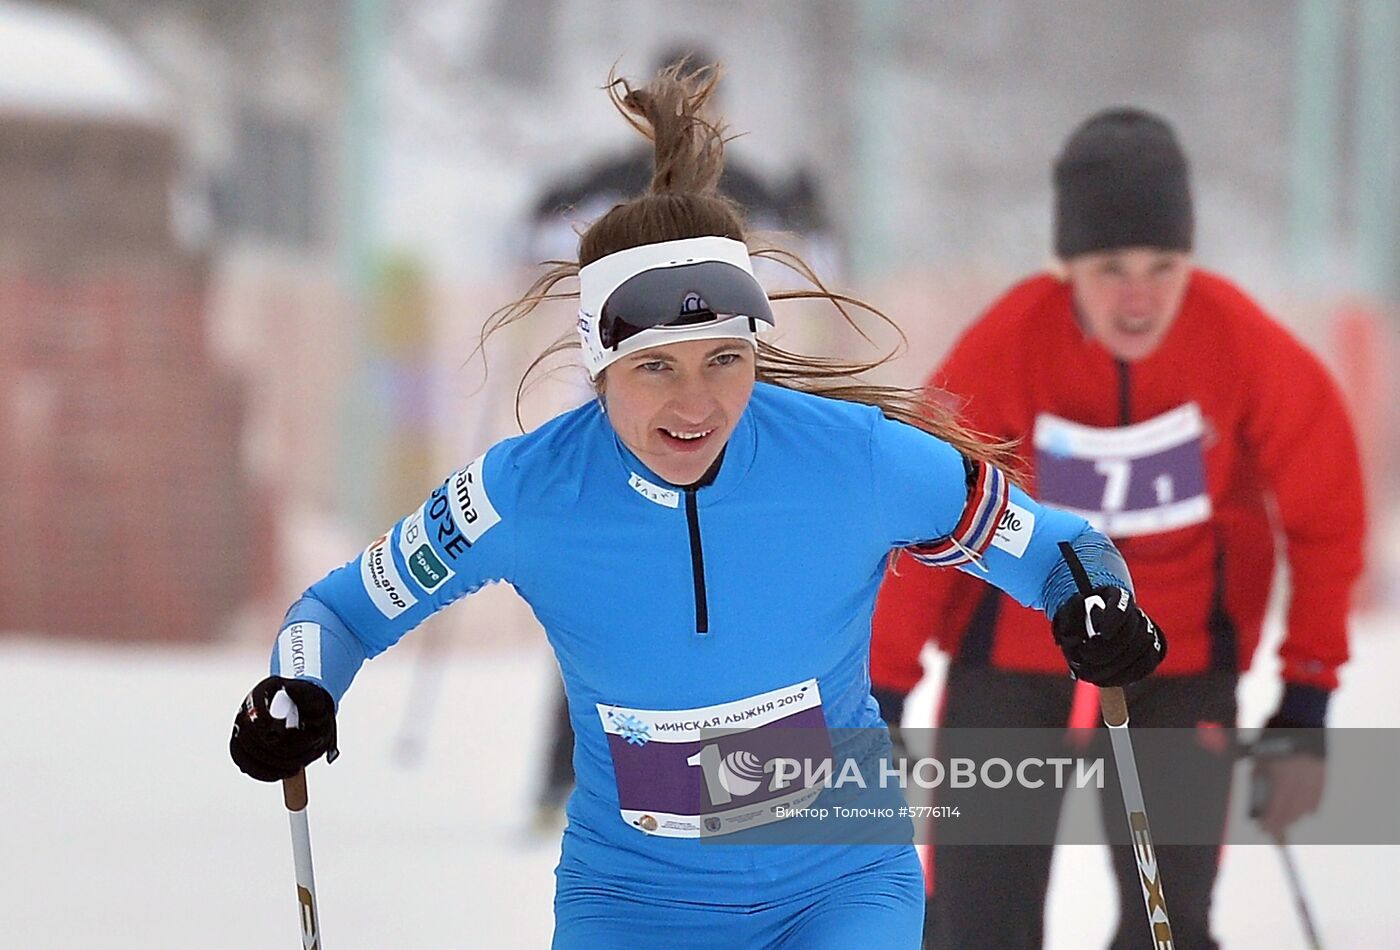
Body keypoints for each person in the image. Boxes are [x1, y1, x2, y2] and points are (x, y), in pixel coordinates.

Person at [229, 67, 1167, 949]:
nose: (696, 404)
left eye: (725, 359)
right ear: (599, 369)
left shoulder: (858, 461)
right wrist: (300, 687)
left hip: (840, 887)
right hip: (633, 902)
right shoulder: (525, 492)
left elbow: (1056, 549)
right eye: (654, 369)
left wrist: (1095, 601)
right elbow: (340, 611)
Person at [870, 108, 1366, 949]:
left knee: (1168, 925)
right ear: (1068, 266)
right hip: (1015, 657)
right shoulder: (1011, 343)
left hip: (1180, 660)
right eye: (1111, 268)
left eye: (1163, 266)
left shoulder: (1240, 345)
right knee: (973, 922)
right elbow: (923, 510)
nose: (1139, 296)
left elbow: (1326, 512)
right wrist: (879, 692)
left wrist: (1308, 687)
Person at [520, 45, 839, 828]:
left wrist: (811, 215)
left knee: (695, 593)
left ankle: (723, 779)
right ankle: (575, 777)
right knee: (612, 593)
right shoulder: (614, 178)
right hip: (614, 417)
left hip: (713, 419)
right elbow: (534, 252)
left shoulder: (744, 185)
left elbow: (816, 265)